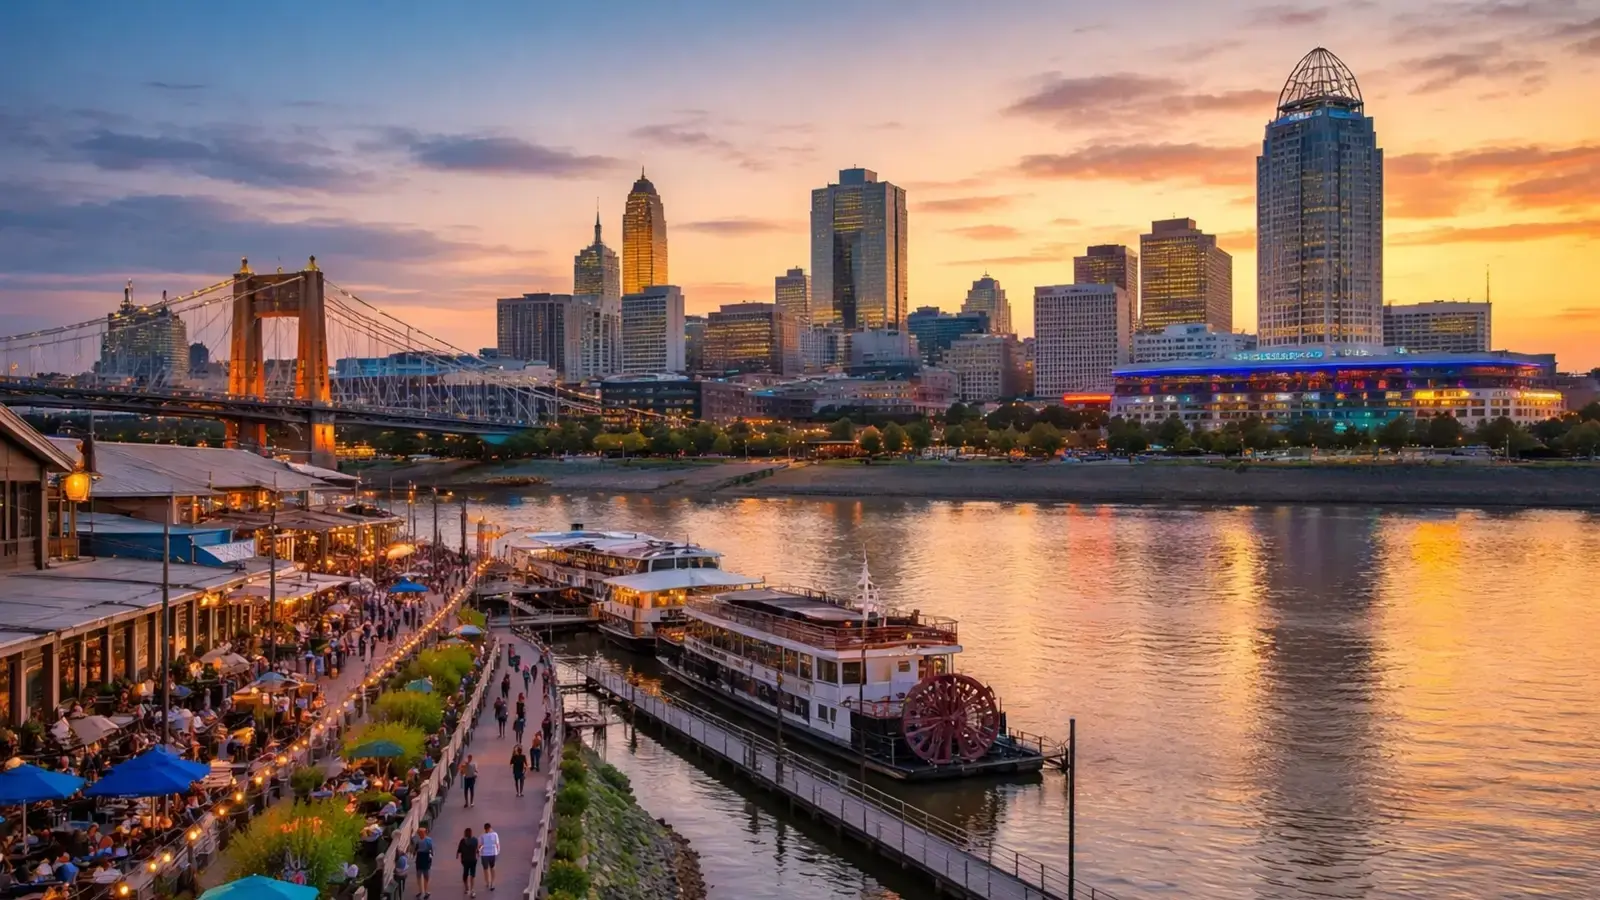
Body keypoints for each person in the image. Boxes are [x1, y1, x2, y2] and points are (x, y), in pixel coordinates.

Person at [455, 827, 478, 899]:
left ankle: (466, 888)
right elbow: (477, 849)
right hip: (473, 860)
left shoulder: (462, 841)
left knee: (465, 874)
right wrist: (478, 854)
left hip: (465, 860)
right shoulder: (475, 840)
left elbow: (459, 850)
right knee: (472, 874)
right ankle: (472, 890)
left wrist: (457, 855)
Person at [478, 824, 500, 892]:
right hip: (492, 853)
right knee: (492, 868)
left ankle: (488, 882)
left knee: (486, 869)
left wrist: (479, 852)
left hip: (485, 854)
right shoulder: (495, 834)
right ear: (490, 828)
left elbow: (480, 845)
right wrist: (497, 851)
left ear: (484, 829)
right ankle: (492, 883)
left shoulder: (482, 836)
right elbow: (497, 844)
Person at [413, 827, 434, 899]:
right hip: (425, 858)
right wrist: (431, 855)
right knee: (425, 876)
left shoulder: (418, 841)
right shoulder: (429, 840)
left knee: (420, 876)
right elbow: (431, 849)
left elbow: (415, 851)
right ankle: (425, 891)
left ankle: (421, 891)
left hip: (420, 859)